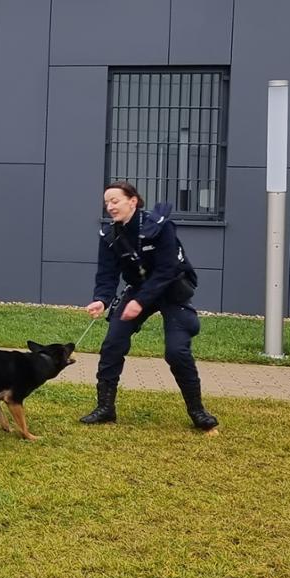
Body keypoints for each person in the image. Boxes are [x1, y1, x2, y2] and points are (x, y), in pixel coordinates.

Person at [81, 181, 220, 431]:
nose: (110, 207)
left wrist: (140, 301)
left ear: (132, 200)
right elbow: (107, 274)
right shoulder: (110, 235)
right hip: (137, 293)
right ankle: (105, 408)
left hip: (170, 290)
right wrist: (101, 299)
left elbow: (167, 270)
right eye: (106, 203)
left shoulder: (161, 226)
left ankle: (198, 411)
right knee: (113, 343)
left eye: (115, 201)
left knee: (176, 352)